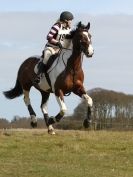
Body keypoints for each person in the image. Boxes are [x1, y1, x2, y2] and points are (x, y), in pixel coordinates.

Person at [35, 11, 74, 83]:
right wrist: (57, 42)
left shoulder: (69, 29)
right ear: (66, 20)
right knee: (46, 58)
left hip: (60, 49)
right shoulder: (57, 26)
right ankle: (39, 75)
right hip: (51, 47)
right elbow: (49, 37)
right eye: (70, 20)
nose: (71, 22)